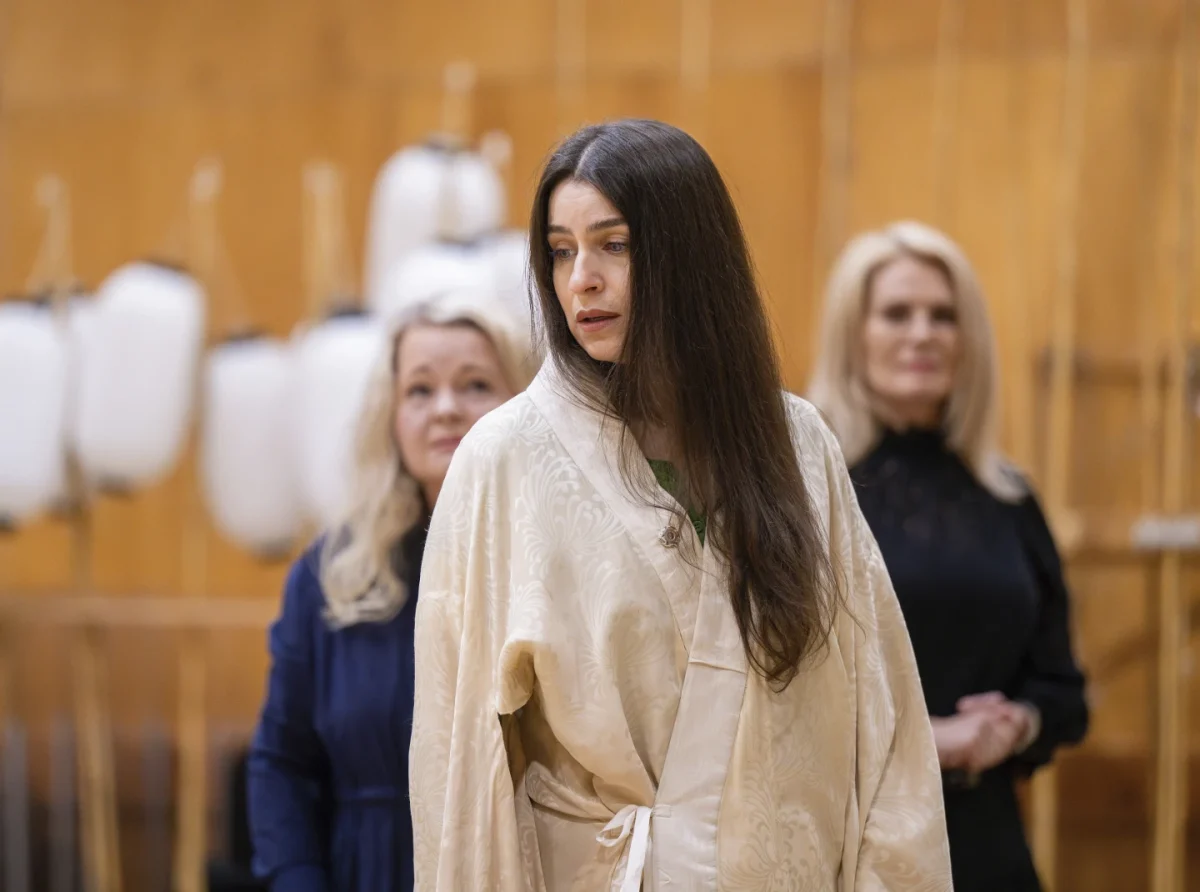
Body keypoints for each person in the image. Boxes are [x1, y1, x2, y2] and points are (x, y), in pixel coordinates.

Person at [409, 119, 952, 891]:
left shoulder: (798, 446)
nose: (581, 280)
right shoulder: (504, 460)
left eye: (614, 245)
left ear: (689, 255)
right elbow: (460, 762)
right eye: (561, 251)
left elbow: (885, 726)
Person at [808, 220, 1090, 892]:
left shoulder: (1008, 496)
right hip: (848, 847)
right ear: (855, 334)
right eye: (897, 313)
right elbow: (772, 706)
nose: (923, 333)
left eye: (943, 316)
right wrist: (929, 742)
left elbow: (1063, 691)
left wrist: (1015, 726)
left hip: (987, 846)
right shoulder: (807, 487)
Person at [247, 291, 536, 891]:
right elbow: (282, 763)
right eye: (420, 390)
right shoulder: (330, 576)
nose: (446, 409)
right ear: (392, 414)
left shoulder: (556, 565)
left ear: (523, 406)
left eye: (476, 384)